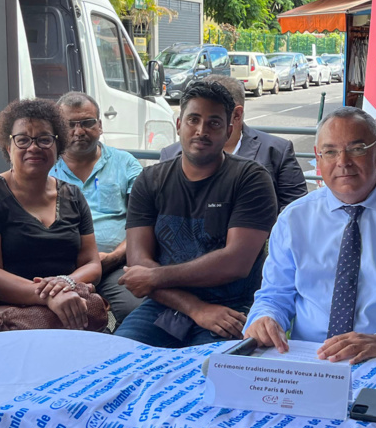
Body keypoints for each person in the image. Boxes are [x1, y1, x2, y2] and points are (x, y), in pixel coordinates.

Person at [244, 107, 376, 378]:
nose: (342, 161)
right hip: (307, 361)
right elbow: (274, 296)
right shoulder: (294, 219)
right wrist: (264, 318)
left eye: (356, 149)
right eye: (330, 152)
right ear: (318, 158)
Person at [115, 80, 277, 347]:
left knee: (214, 378)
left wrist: (155, 276)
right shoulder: (150, 180)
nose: (201, 130)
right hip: (165, 304)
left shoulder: (251, 179)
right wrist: (195, 308)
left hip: (232, 308)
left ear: (229, 130)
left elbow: (236, 263)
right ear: (179, 124)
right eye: (193, 119)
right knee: (119, 360)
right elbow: (138, 262)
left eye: (214, 123)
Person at [0, 98, 103, 330]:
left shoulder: (73, 196)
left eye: (45, 139)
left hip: (68, 302)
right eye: (23, 140)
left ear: (58, 147)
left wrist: (64, 283)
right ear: (8, 147)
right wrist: (47, 296)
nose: (34, 147)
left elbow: (91, 264)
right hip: (9, 311)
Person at [51, 92, 145, 324]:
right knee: (59, 320)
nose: (78, 131)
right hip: (61, 269)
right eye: (69, 125)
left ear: (100, 125)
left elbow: (142, 224)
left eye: (87, 122)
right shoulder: (45, 167)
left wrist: (114, 256)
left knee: (138, 311)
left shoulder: (125, 164)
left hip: (116, 266)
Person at [160, 74, 307, 212]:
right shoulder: (171, 155)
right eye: (194, 119)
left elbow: (296, 213)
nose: (201, 130)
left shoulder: (277, 151)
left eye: (214, 120)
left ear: (236, 115)